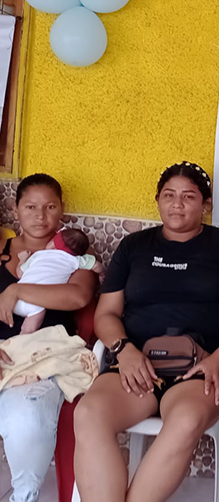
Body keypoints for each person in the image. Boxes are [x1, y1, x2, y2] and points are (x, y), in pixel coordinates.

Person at [74, 161, 219, 502]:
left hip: (201, 369)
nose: (177, 204)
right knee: (88, 414)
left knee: (186, 419)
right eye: (169, 195)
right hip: (136, 365)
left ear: (205, 204)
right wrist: (124, 351)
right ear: (158, 200)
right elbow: (106, 313)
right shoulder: (134, 246)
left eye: (189, 196)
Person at [0, 173, 96, 502]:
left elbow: (77, 296)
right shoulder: (2, 249)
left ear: (61, 209)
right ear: (16, 209)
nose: (40, 216)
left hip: (43, 358)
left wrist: (17, 290)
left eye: (50, 207)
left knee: (25, 417)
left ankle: (23, 496)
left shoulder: (74, 251)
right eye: (30, 207)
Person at [15, 228, 103, 334]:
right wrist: (102, 275)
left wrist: (23, 259)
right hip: (35, 306)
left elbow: (20, 273)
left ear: (52, 244)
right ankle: (23, 334)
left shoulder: (38, 255)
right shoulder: (75, 260)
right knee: (29, 328)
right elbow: (97, 266)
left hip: (16, 299)